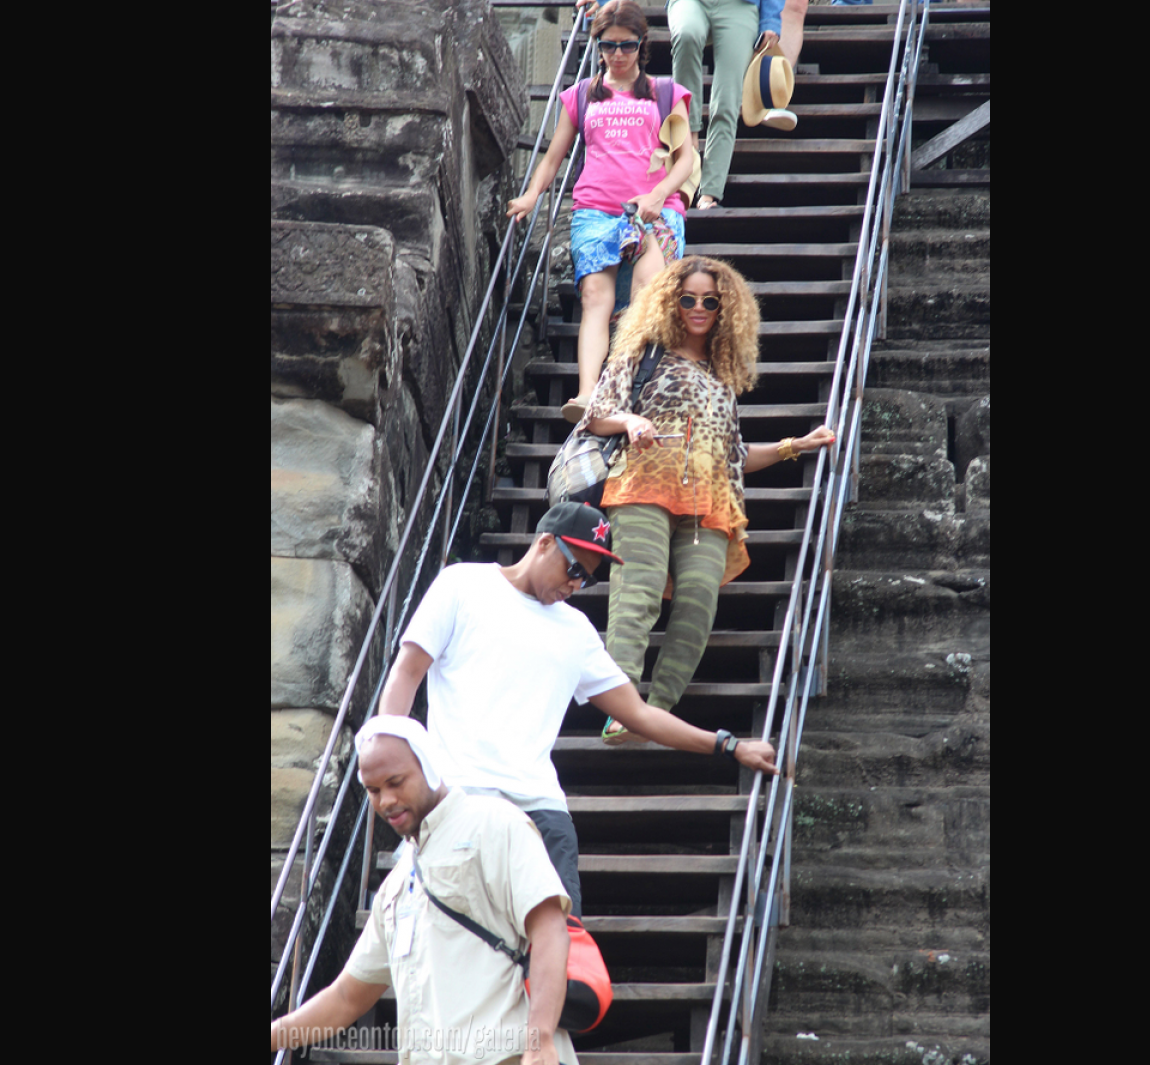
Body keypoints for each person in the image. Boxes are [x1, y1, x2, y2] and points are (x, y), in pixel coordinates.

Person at [376, 500, 779, 918]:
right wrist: (390, 765)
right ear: (545, 543)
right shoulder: (462, 586)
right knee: (454, 940)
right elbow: (407, 672)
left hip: (542, 812)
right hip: (461, 796)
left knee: (563, 950)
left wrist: (728, 746)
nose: (577, 585)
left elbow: (638, 715)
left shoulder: (576, 631)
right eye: (575, 570)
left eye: (587, 579)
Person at [580, 256, 835, 744]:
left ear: (725, 309)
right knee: (637, 594)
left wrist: (793, 447)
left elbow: (734, 454)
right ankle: (624, 705)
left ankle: (656, 713)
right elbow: (596, 415)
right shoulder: (643, 351)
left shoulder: (722, 376)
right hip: (642, 485)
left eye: (710, 301)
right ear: (670, 301)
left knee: (698, 605)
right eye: (688, 298)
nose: (699, 308)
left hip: (708, 503)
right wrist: (631, 422)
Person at [270, 717, 575, 1065]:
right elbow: (346, 997)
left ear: (430, 767)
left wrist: (540, 1042)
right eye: (373, 790)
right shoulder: (396, 885)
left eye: (395, 782)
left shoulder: (495, 824)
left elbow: (550, 929)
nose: (386, 800)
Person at [511, 2, 696, 424]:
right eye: (608, 45)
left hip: (654, 211)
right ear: (596, 46)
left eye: (627, 45)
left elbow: (685, 160)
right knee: (596, 298)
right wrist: (531, 196)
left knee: (644, 301)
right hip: (595, 210)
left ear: (641, 44)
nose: (618, 54)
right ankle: (587, 392)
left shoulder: (666, 91)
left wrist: (659, 194)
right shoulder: (581, 95)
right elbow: (553, 157)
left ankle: (626, 388)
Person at [582, 0, 787, 211]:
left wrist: (770, 19)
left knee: (727, 101)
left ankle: (710, 192)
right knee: (686, 35)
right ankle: (689, 136)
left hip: (740, 5)